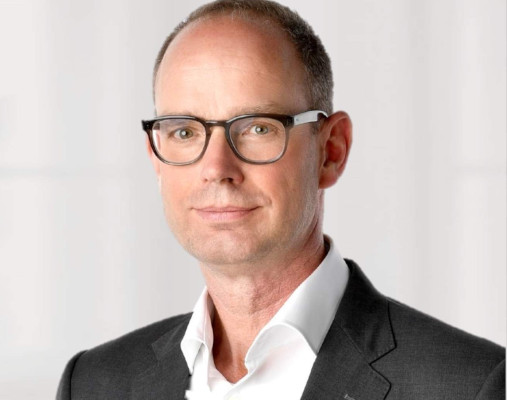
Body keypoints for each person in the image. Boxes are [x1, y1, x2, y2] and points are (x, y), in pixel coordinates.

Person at [56, 0, 505, 398]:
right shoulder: (94, 384)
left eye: (257, 128)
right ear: (156, 158)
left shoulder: (471, 385)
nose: (217, 168)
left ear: (331, 151)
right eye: (184, 132)